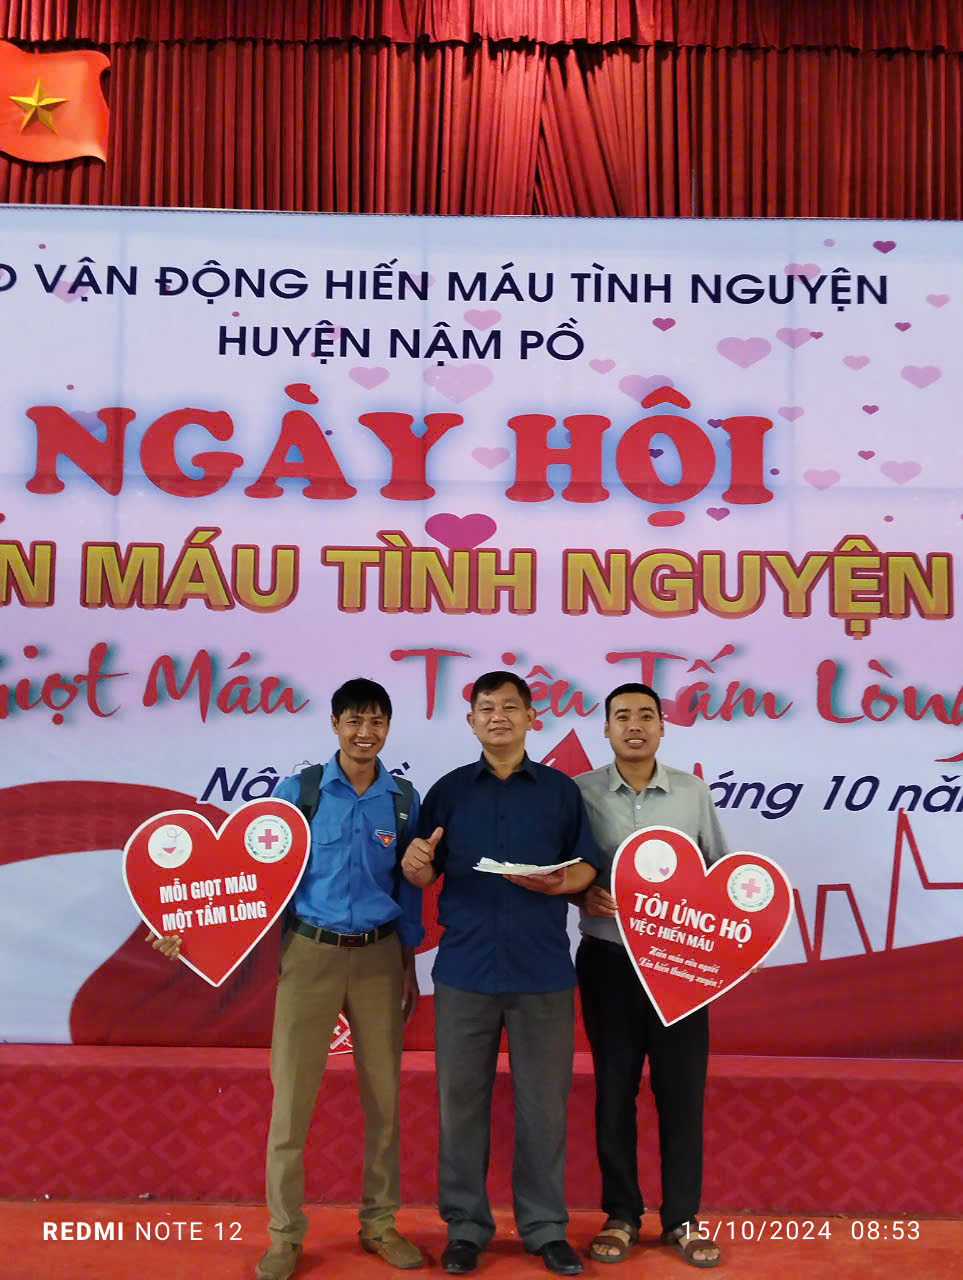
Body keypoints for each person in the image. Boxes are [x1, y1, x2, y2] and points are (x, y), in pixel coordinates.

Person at [151, 677, 425, 1280]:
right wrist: (185, 929)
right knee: (292, 1101)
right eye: (354, 720)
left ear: (387, 728)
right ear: (334, 725)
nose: (365, 733)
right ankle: (283, 1234)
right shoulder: (298, 793)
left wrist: (408, 965)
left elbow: (409, 888)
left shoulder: (403, 799)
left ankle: (380, 1223)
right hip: (309, 954)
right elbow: (246, 876)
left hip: (380, 959)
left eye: (376, 721)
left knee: (384, 1101)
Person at [401, 671, 600, 1277]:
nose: (498, 717)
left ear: (531, 717)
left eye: (510, 707)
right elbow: (421, 870)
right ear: (471, 722)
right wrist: (414, 864)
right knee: (460, 1106)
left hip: (543, 971)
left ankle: (545, 1228)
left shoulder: (561, 792)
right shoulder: (448, 792)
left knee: (544, 1107)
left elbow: (587, 866)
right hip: (465, 970)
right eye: (486, 708)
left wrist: (563, 882)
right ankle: (465, 1228)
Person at [573, 683, 728, 1268]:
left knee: (681, 1093)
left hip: (680, 966)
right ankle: (621, 1214)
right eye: (622, 716)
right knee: (614, 1090)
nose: (634, 725)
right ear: (606, 728)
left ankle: (683, 1217)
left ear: (663, 726)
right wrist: (581, 894)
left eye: (645, 716)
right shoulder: (580, 793)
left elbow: (719, 874)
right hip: (609, 962)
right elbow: (566, 870)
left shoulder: (692, 792)